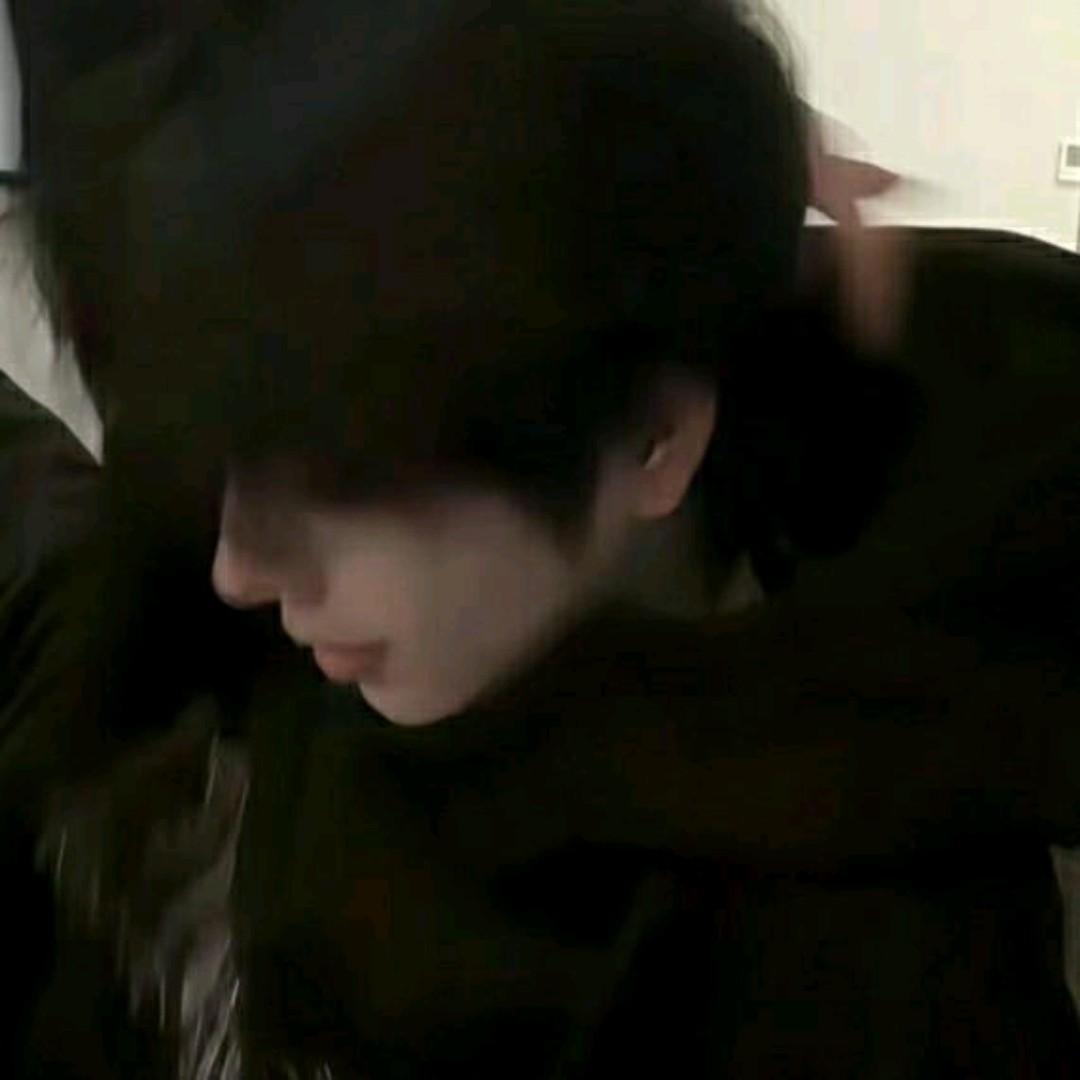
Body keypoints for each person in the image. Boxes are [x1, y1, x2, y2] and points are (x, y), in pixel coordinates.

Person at [7, 0, 1080, 1077]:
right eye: (222, 456)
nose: (239, 566)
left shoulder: (867, 976)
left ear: (655, 439)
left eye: (337, 478)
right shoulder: (197, 615)